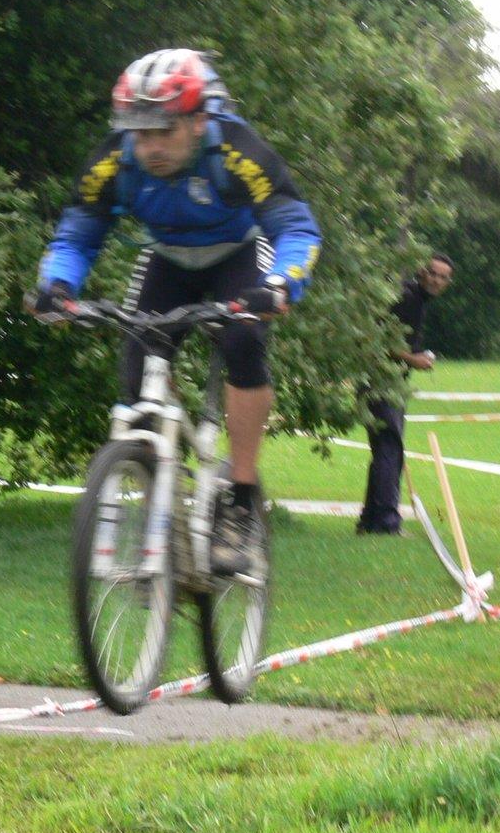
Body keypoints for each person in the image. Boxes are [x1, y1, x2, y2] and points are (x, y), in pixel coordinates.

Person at [32, 49, 323, 572]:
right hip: (167, 258)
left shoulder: (237, 152)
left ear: (198, 121)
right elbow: (77, 233)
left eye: (163, 131)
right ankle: (160, 499)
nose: (150, 147)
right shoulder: (114, 162)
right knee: (135, 364)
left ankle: (240, 500)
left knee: (243, 341)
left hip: (238, 253)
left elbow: (296, 229)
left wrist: (281, 285)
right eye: (139, 133)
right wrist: (57, 287)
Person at [357, 255, 453, 535]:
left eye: (442, 277)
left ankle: (369, 520)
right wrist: (414, 360)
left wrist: (416, 356)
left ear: (448, 282)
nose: (436, 280)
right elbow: (377, 340)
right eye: (432, 273)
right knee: (390, 448)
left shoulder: (417, 300)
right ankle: (386, 522)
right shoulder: (408, 298)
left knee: (385, 450)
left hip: (386, 381)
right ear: (422, 271)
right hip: (381, 382)